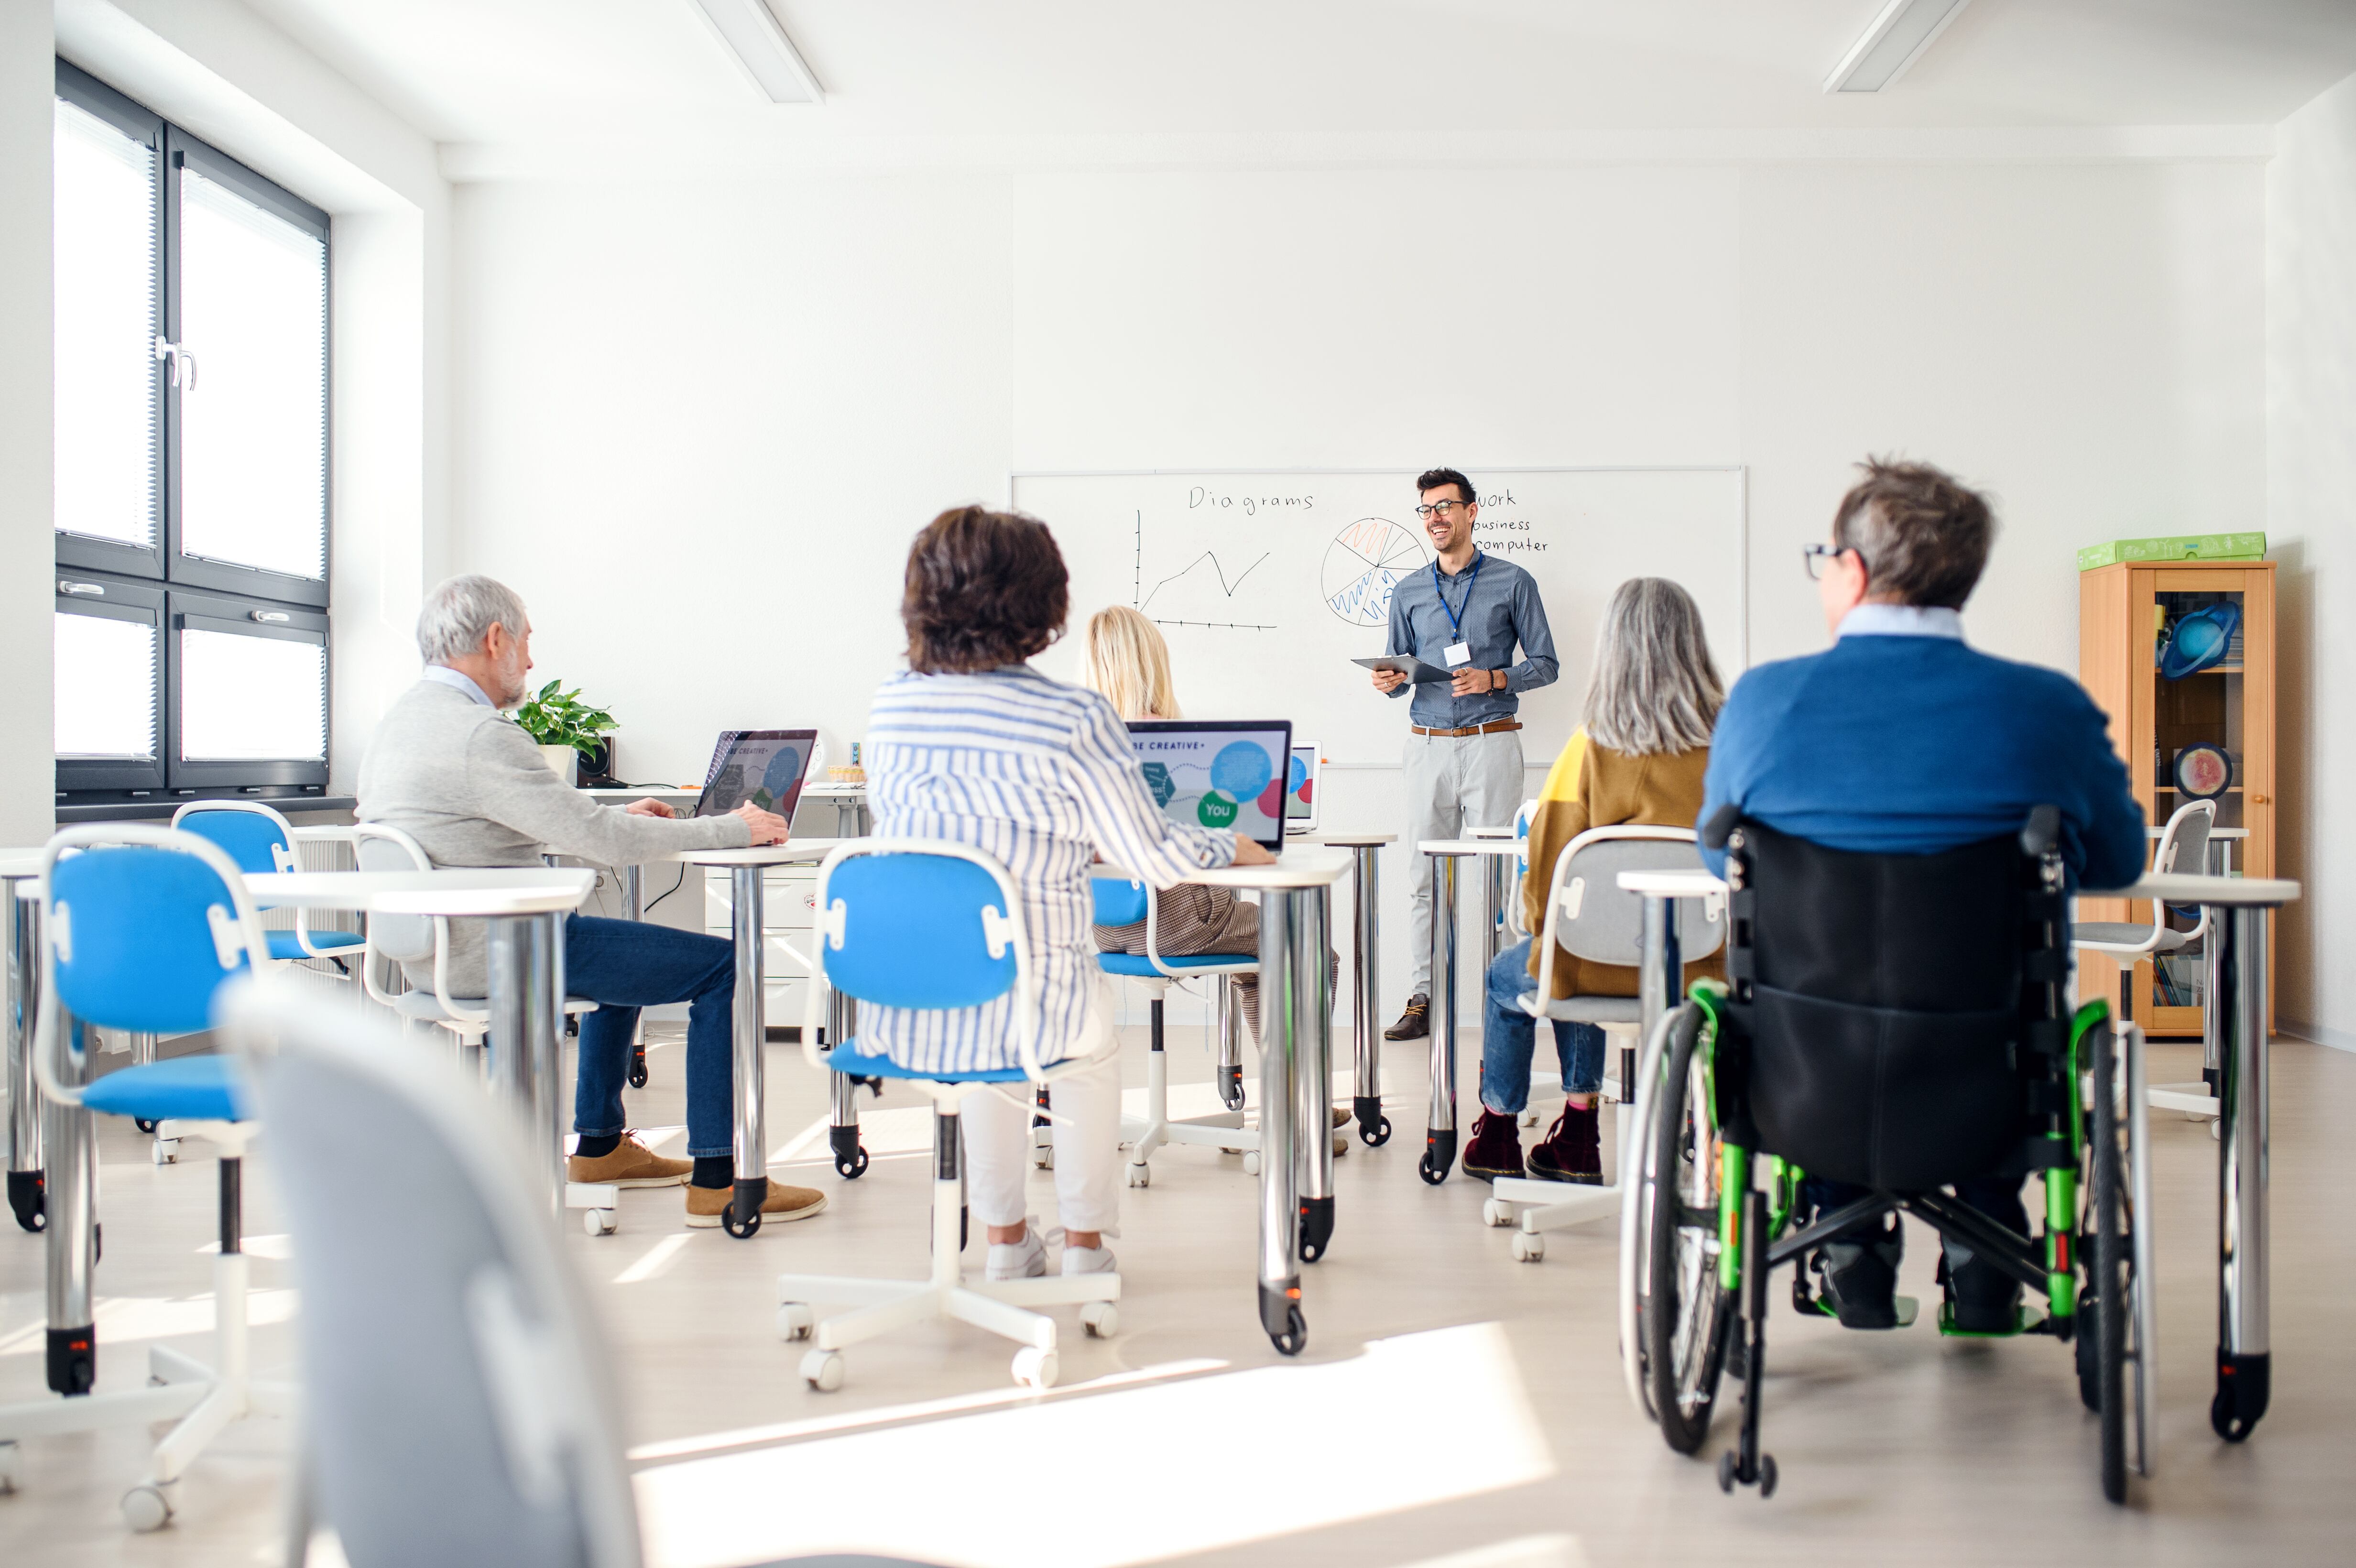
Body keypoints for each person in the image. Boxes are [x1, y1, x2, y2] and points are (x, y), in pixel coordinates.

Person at [1700, 457, 2145, 1330]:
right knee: (2002, 1005)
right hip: (1986, 1072)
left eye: (1824, 557)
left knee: (1816, 997)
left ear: (1854, 571)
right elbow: (2118, 861)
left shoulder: (1762, 702)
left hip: (1803, 1077)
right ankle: (1986, 1249)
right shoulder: (2043, 706)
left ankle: (1848, 1245)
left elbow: (1726, 866)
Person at [862, 510, 1275, 1282]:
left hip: (914, 989)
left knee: (989, 1063)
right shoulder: (1069, 716)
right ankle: (1084, 1251)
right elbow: (1151, 854)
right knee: (1081, 1057)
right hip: (1038, 982)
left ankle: (1005, 1246)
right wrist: (1234, 844)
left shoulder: (893, 702)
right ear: (1040, 603)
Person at [356, 575, 825, 1230]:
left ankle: (600, 1146)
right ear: (495, 640)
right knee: (724, 966)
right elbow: (604, 840)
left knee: (622, 952)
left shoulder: (399, 726)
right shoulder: (478, 735)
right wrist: (734, 828)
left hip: (438, 949)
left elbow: (482, 832)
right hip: (504, 952)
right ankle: (722, 1178)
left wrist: (602, 818)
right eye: (525, 643)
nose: (530, 661)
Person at [1460, 579, 1726, 1183]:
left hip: (1591, 966)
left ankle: (1503, 1128)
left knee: (1523, 969)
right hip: (1700, 969)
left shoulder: (1590, 748)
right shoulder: (1729, 748)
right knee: (1572, 947)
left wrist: (1538, 927)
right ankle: (1576, 1130)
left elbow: (1548, 876)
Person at [1081, 606, 1338, 1050]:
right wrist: (1249, 848)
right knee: (1313, 951)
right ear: (1151, 664)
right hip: (1177, 925)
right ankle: (1296, 1101)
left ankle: (1280, 1084)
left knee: (1255, 955)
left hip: (1109, 927)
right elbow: (1192, 842)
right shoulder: (1163, 740)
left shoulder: (1083, 740)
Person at [1371, 467, 1559, 1041]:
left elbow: (1546, 664)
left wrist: (1495, 677)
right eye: (1426, 509)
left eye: (1445, 506)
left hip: (1491, 743)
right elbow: (1398, 672)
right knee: (1422, 878)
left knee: (1501, 877)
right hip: (1426, 747)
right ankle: (1422, 996)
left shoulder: (1513, 581)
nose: (1434, 517)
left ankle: (1504, 997)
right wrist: (1388, 681)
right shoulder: (1406, 591)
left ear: (1471, 512)